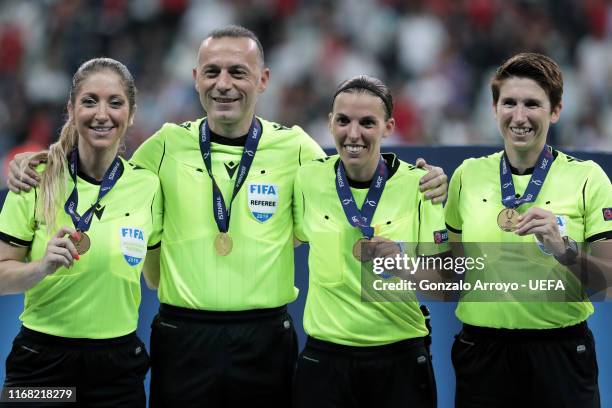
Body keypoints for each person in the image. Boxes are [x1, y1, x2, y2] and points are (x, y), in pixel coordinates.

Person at [6, 26, 448, 407]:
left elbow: (350, 186)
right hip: (180, 339)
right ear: (195, 78)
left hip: (267, 341)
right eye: (212, 72)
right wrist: (41, 161)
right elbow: (103, 170)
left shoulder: (296, 148)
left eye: (238, 72)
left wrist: (425, 182)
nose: (224, 84)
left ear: (263, 80)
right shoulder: (163, 146)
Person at [445, 52, 612, 408]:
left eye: (532, 104)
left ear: (555, 110)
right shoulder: (466, 176)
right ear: (494, 109)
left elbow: (608, 282)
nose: (519, 117)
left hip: (561, 354)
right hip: (482, 354)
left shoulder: (588, 179)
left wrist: (564, 249)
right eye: (509, 103)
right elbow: (452, 275)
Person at [0, 58, 162, 407]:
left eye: (115, 102)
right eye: (89, 101)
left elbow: (156, 278)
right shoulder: (35, 177)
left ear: (131, 114)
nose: (102, 114)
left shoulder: (149, 186)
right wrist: (39, 267)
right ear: (71, 109)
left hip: (117, 369)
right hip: (40, 362)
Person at [292, 75, 448, 408]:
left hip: (400, 357)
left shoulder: (421, 185)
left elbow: (444, 286)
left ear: (388, 126)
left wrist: (403, 263)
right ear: (330, 123)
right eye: (344, 121)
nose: (354, 134)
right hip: (325, 359)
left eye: (367, 123)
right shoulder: (306, 179)